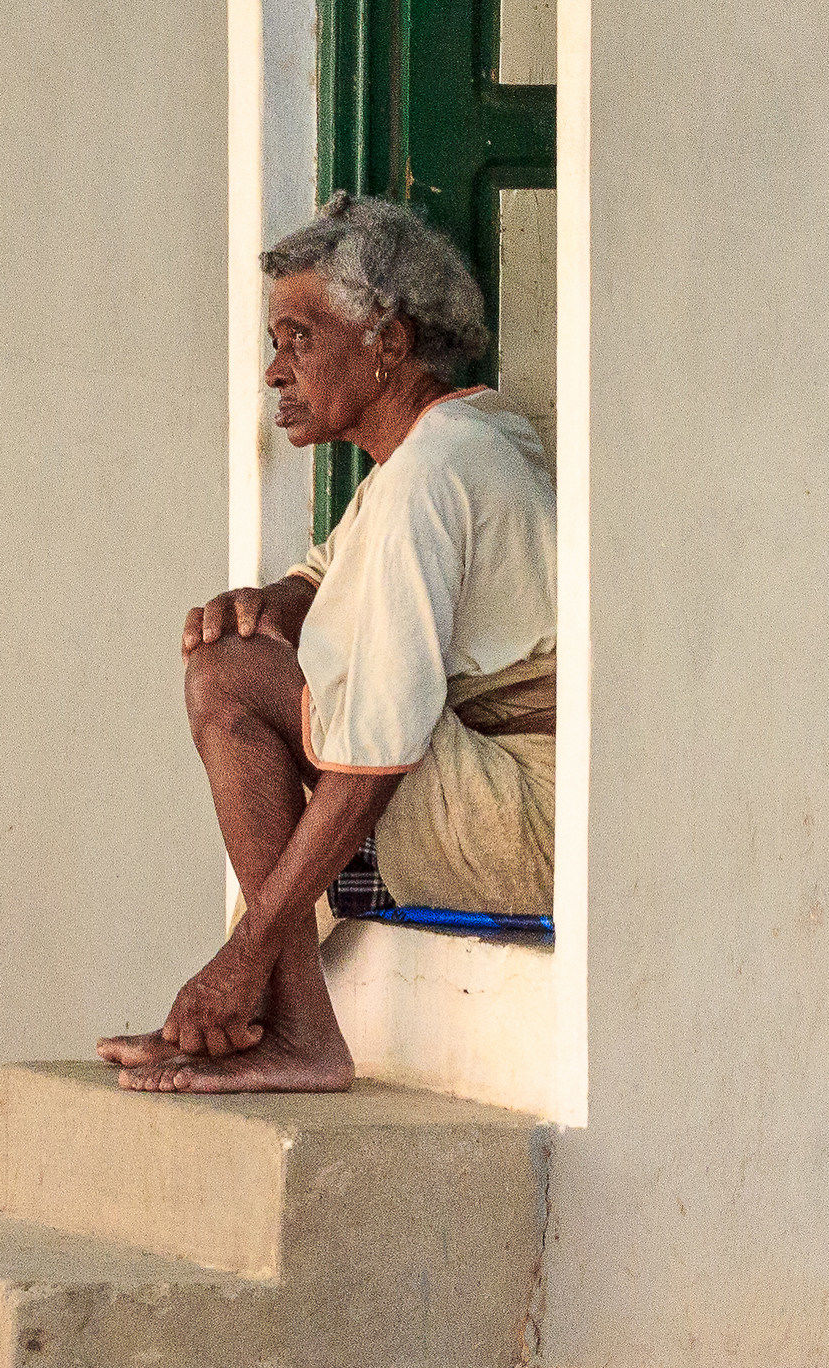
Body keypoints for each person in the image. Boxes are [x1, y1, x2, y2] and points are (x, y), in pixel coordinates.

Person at [98, 194, 557, 1093]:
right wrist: (267, 600)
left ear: (386, 343)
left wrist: (242, 951)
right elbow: (324, 573)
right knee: (240, 660)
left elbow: (372, 758)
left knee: (226, 683)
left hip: (529, 826)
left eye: (300, 338)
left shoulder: (433, 469)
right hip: (517, 807)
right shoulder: (441, 442)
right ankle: (266, 1019)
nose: (275, 370)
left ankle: (292, 1027)